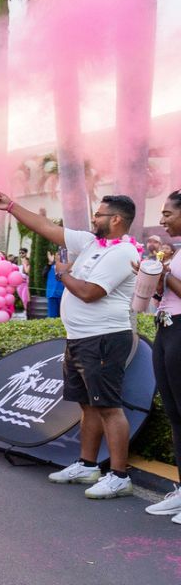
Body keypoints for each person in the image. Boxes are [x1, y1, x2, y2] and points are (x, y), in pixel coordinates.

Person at [0, 193, 140, 499]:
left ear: (116, 220)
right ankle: (87, 465)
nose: (94, 219)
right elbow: (46, 226)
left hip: (104, 338)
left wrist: (62, 273)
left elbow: (89, 293)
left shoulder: (122, 253)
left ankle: (120, 476)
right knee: (88, 404)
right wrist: (11, 207)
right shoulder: (90, 243)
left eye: (100, 215)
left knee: (109, 407)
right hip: (79, 338)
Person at [145, 190, 181, 520]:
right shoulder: (177, 251)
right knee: (174, 414)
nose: (162, 219)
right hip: (166, 329)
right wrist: (157, 281)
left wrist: (166, 275)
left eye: (168, 213)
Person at [45, 250, 66, 318]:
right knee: (52, 317)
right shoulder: (50, 266)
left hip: (62, 295)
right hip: (52, 294)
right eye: (57, 255)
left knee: (63, 317)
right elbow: (43, 274)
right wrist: (49, 263)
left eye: (60, 255)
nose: (58, 257)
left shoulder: (66, 266)